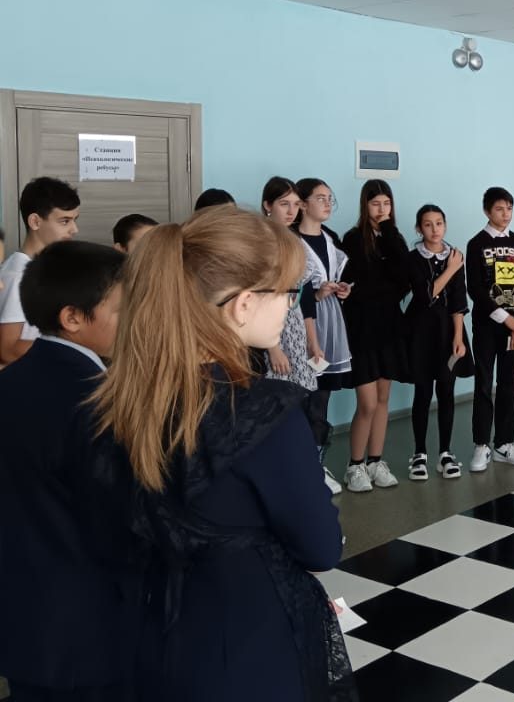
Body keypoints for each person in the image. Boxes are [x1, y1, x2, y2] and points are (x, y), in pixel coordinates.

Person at [91, 206, 353, 702]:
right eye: (288, 293)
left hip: (152, 631)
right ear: (244, 304)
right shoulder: (265, 411)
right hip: (249, 639)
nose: (291, 306)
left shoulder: (120, 395)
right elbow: (321, 548)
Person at [0, 241, 137, 701]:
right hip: (93, 626)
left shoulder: (9, 383)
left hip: (23, 620)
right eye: (120, 310)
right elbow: (122, 519)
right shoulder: (98, 402)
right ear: (72, 317)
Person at [340, 180, 410, 492]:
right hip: (362, 328)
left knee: (383, 399)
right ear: (364, 205)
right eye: (375, 204)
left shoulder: (395, 237)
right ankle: (354, 466)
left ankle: (375, 461)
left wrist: (390, 235)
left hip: (390, 327)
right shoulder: (353, 239)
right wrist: (381, 289)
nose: (382, 209)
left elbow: (406, 280)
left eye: (386, 203)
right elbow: (356, 286)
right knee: (366, 403)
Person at [465, 186, 514, 471]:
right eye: (499, 209)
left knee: (509, 384)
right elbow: (475, 289)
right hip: (487, 326)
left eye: (509, 208)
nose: (505, 214)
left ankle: (504, 444)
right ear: (487, 211)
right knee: (484, 383)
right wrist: (505, 318)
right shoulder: (477, 243)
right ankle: (481, 444)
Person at [294, 178, 353, 495]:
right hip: (302, 323)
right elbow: (297, 291)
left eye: (330, 198)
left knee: (322, 397)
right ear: (303, 204)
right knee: (301, 398)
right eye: (320, 198)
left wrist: (340, 290)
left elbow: (335, 278)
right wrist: (316, 294)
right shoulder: (292, 241)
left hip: (330, 320)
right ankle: (300, 466)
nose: (328, 204)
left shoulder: (330, 238)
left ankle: (317, 462)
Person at [403, 204, 468, 481]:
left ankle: (445, 453)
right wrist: (451, 269)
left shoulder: (455, 255)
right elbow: (425, 295)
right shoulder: (413, 258)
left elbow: (459, 300)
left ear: (445, 225)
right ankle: (419, 453)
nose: (434, 229)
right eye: (428, 224)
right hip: (420, 331)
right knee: (422, 392)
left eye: (439, 223)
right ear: (419, 228)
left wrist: (458, 337)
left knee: (446, 391)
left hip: (447, 331)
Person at [0, 176, 80, 367]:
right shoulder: (18, 276)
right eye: (65, 221)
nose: (74, 229)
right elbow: (8, 349)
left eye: (74, 220)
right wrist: (70, 348)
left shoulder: (41, 270)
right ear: (35, 221)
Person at [261, 178, 318, 394]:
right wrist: (273, 348)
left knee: (300, 394)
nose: (291, 211)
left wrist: (311, 340)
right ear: (268, 205)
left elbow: (303, 293)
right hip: (270, 328)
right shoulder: (261, 240)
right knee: (277, 394)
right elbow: (260, 298)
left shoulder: (294, 239)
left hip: (295, 321)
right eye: (284, 204)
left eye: (296, 204)